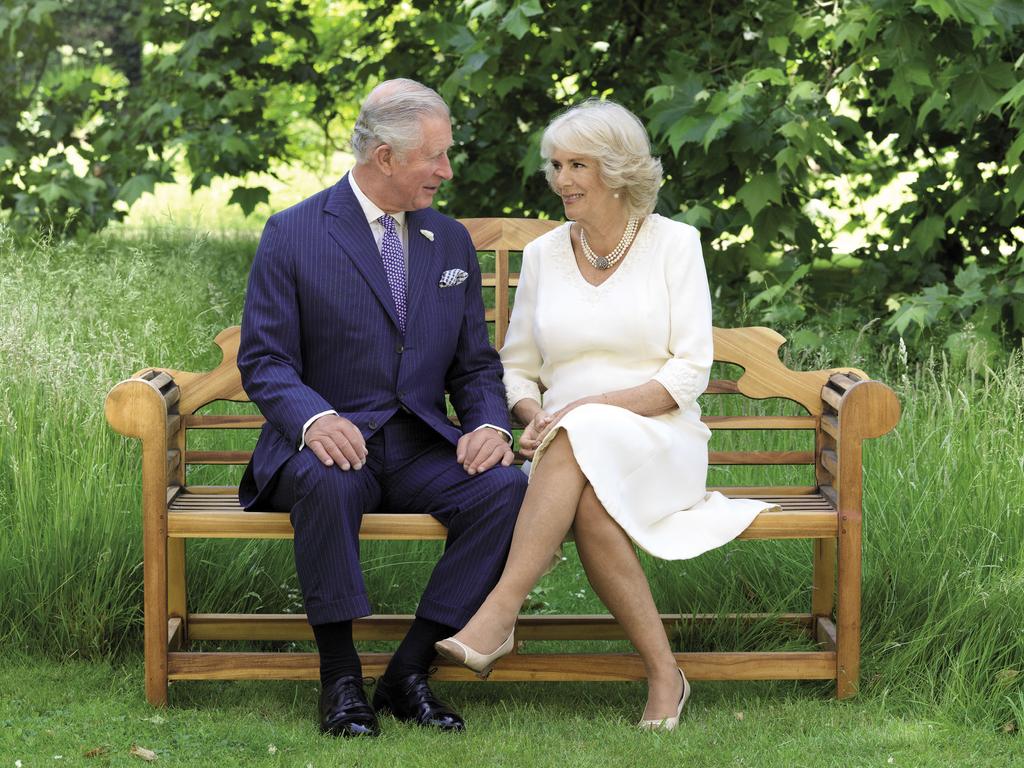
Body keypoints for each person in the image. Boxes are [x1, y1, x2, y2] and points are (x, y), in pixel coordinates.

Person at [435, 99, 778, 730]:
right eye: (557, 165)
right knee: (590, 498)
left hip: (660, 438)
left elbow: (687, 372)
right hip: (570, 449)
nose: (562, 179)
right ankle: (664, 676)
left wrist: (583, 408)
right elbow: (517, 365)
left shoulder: (675, 244)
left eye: (578, 165)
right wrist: (534, 412)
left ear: (617, 171)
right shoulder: (542, 255)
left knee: (581, 426)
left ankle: (500, 610)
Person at [237, 79, 528, 738]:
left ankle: (409, 670)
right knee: (327, 480)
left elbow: (474, 364)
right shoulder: (293, 233)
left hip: (418, 445)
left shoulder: (449, 241)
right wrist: (313, 418)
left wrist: (486, 422)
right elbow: (264, 361)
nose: (448, 171)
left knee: (505, 489)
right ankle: (340, 680)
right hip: (327, 445)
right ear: (385, 159)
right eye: (436, 157)